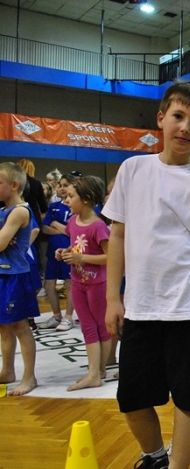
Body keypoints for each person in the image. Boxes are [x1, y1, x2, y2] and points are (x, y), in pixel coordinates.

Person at [102, 81, 190, 469]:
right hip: (140, 309)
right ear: (161, 118)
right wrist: (112, 299)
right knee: (132, 399)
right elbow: (118, 236)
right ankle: (156, 456)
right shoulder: (133, 169)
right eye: (178, 116)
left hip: (186, 312)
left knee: (189, 399)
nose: (185, 127)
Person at [57, 175, 111, 392]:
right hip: (78, 282)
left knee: (100, 326)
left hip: (97, 284)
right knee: (87, 326)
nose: (66, 200)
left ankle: (97, 371)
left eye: (71, 196)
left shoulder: (98, 226)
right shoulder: (72, 222)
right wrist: (65, 252)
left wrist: (82, 258)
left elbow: (110, 257)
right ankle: (94, 372)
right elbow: (76, 247)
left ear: (86, 199)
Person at [0, 162, 40, 396]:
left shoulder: (20, 211)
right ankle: (7, 371)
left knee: (20, 326)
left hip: (15, 275)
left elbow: (1, 243)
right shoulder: (4, 210)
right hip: (3, 274)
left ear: (14, 185)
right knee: (3, 325)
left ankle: (29, 376)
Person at [39, 174, 74, 331]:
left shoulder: (77, 206)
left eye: (66, 185)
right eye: (60, 185)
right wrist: (64, 230)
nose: (61, 188)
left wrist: (55, 223)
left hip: (69, 250)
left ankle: (68, 317)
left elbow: (74, 230)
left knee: (69, 284)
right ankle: (56, 316)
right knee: (49, 283)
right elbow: (44, 228)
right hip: (53, 251)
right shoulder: (53, 206)